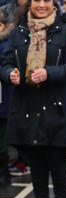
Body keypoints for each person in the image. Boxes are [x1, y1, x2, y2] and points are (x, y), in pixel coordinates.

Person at [1, 0, 66, 198]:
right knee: (35, 162)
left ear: (54, 4)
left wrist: (49, 73)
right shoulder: (19, 31)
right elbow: (6, 62)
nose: (42, 5)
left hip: (56, 106)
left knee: (57, 162)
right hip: (27, 106)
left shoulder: (65, 31)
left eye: (47, 0)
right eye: (37, 0)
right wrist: (10, 74)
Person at [0, 9, 14, 187]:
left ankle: (5, 172)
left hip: (2, 99)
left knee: (2, 139)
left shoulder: (5, 46)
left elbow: (6, 69)